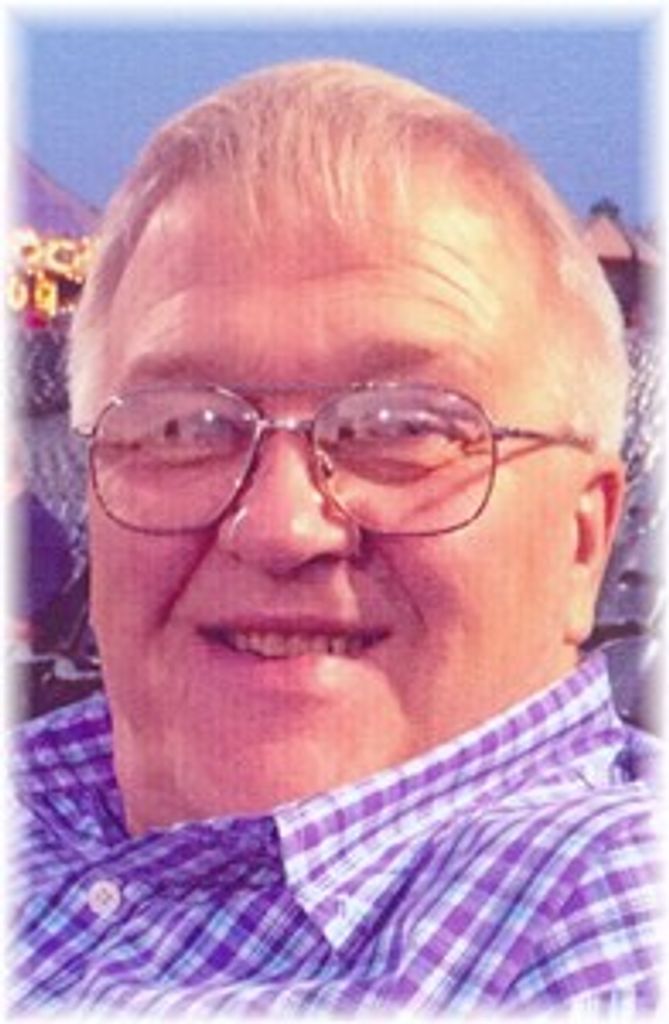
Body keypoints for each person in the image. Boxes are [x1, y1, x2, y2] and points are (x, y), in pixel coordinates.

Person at [10, 59, 659, 1015]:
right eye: (183, 426)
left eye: (403, 428)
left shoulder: (606, 914)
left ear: (582, 540)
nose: (280, 526)